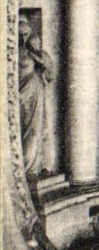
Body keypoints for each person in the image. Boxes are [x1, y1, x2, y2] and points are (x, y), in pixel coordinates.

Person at [18, 15, 53, 179]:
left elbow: (47, 67)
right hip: (19, 94)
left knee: (33, 129)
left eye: (25, 34)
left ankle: (30, 167)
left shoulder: (33, 52)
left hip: (33, 92)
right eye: (19, 34)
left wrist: (34, 54)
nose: (22, 38)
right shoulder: (14, 52)